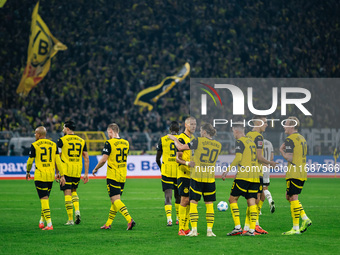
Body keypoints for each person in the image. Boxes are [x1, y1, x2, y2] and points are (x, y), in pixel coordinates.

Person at [169, 123, 222, 237]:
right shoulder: (218, 145)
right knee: (209, 205)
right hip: (210, 178)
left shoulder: (198, 141)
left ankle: (193, 230)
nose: (200, 132)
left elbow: (180, 147)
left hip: (197, 177)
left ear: (204, 132)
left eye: (201, 131)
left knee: (193, 203)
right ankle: (209, 231)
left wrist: (174, 138)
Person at [92, 123, 136, 230]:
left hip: (113, 175)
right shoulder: (126, 143)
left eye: (108, 132)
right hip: (122, 175)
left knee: (115, 200)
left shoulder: (109, 143)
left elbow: (103, 159)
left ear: (111, 131)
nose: (108, 135)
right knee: (115, 200)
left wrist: (96, 168)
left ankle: (129, 219)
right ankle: (108, 224)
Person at [222, 124, 260, 236]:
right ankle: (252, 230)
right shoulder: (251, 142)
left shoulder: (240, 142)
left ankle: (238, 227)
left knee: (232, 199)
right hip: (255, 176)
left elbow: (238, 158)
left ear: (237, 130)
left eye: (233, 131)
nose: (233, 134)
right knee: (251, 201)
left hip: (244, 176)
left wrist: (227, 170)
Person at [26, 126, 62, 230]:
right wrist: (61, 174)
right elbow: (58, 161)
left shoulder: (34, 145)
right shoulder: (53, 144)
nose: (34, 135)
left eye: (35, 133)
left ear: (39, 134)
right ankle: (41, 221)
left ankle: (49, 224)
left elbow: (29, 161)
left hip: (40, 175)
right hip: (50, 176)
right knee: (45, 199)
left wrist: (28, 171)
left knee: (44, 199)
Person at [280, 116, 312, 235]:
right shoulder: (302, 138)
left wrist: (281, 151)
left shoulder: (290, 139)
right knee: (289, 197)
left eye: (286, 124)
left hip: (293, 172)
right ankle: (304, 218)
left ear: (292, 126)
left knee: (293, 198)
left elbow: (290, 157)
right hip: (302, 172)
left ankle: (295, 228)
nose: (284, 126)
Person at [246, 116, 277, 234]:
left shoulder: (248, 135)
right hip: (258, 171)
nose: (267, 124)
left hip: (249, 170)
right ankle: (253, 226)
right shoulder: (259, 137)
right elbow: (259, 157)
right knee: (257, 198)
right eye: (265, 122)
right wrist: (270, 163)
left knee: (254, 198)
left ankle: (249, 226)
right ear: (258, 123)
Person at [57, 120, 89, 225]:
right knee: (74, 191)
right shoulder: (82, 141)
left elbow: (58, 157)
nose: (62, 129)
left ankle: (70, 219)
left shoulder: (61, 140)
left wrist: (57, 172)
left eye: (63, 127)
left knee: (67, 193)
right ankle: (77, 210)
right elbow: (86, 158)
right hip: (77, 170)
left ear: (67, 128)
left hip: (65, 170)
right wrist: (86, 174)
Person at [156, 121, 181, 226]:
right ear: (179, 130)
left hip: (166, 171)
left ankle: (169, 219)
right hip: (179, 171)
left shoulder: (162, 139)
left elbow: (157, 158)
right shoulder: (182, 139)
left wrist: (162, 168)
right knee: (178, 196)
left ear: (170, 130)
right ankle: (178, 219)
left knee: (168, 196)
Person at [175, 116, 196, 236]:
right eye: (191, 124)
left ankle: (186, 228)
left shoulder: (193, 139)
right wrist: (188, 163)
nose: (194, 126)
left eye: (195, 124)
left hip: (192, 175)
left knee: (189, 201)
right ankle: (181, 228)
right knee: (184, 200)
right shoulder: (181, 139)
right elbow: (177, 159)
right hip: (183, 174)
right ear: (186, 125)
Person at [262, 139, 275, 213]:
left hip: (259, 167)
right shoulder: (269, 143)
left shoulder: (256, 142)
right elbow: (272, 157)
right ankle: (270, 199)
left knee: (257, 190)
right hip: (267, 167)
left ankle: (258, 210)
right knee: (265, 188)